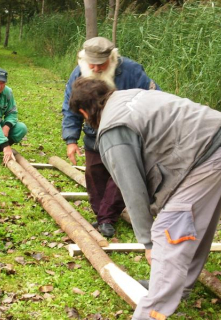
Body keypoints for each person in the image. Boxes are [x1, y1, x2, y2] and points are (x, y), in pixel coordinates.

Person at [69, 77, 221, 320]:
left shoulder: (112, 129)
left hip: (208, 154)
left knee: (171, 229)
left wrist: (149, 243)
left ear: (85, 111)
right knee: (195, 224)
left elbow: (132, 190)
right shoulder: (130, 96)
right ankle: (180, 288)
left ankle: (151, 312)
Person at [62, 36, 160, 238]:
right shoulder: (79, 72)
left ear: (112, 58)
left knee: (121, 175)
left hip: (125, 135)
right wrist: (71, 140)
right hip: (94, 135)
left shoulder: (132, 71)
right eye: (92, 64)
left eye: (101, 64)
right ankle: (102, 216)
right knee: (93, 174)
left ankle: (107, 219)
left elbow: (153, 98)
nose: (96, 68)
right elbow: (71, 107)